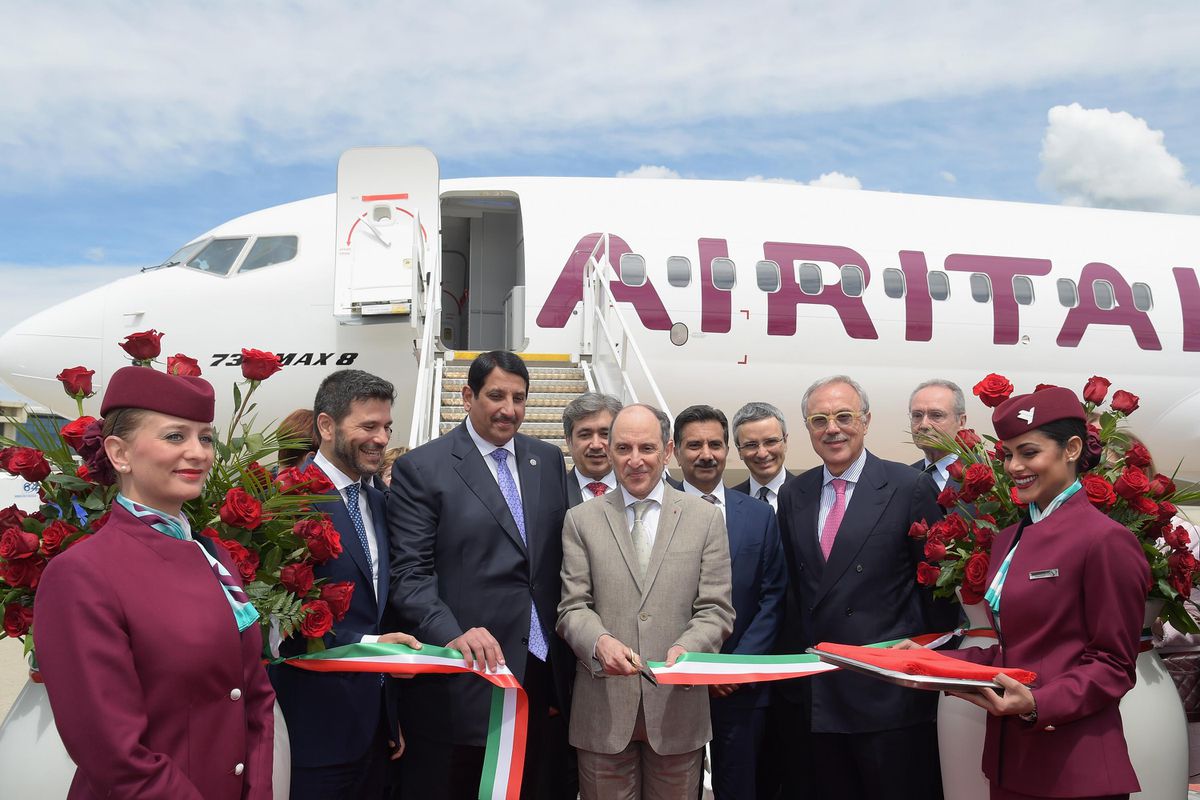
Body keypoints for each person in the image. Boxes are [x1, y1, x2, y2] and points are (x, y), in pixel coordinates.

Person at [35, 365, 276, 799]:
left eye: (205, 437)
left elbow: (254, 694)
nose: (199, 453)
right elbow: (113, 753)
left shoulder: (215, 556)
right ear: (119, 453)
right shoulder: (82, 574)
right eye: (174, 436)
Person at [941, 387, 1149, 799]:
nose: (1014, 467)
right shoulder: (1007, 541)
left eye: (1028, 452)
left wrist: (1038, 703)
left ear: (1072, 449)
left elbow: (1113, 664)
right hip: (1012, 764)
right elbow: (1014, 651)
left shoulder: (1106, 541)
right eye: (1007, 455)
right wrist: (924, 662)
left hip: (1073, 769)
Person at [388, 350, 571, 799]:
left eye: (519, 398)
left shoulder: (546, 459)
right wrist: (452, 634)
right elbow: (410, 572)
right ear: (468, 396)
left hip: (543, 672)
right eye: (496, 396)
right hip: (469, 673)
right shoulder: (423, 468)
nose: (509, 409)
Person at [776, 374, 946, 800]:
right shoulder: (794, 493)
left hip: (888, 695)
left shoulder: (909, 487)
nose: (832, 428)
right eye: (819, 420)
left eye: (844, 416)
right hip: (821, 693)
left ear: (866, 421)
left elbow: (935, 588)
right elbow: (797, 591)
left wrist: (929, 667)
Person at [557, 403, 735, 800]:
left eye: (647, 448)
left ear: (667, 450)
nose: (635, 461)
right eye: (623, 449)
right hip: (603, 711)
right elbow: (572, 607)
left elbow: (716, 608)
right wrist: (599, 643)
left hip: (678, 708)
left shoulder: (704, 519)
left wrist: (686, 650)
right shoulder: (581, 519)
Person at [269, 370, 421, 800]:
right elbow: (280, 629)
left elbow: (379, 608)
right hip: (313, 732)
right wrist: (372, 647)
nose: (381, 438)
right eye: (368, 426)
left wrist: (389, 715)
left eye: (387, 426)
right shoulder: (286, 501)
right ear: (326, 426)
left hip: (376, 733)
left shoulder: (378, 500)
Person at [672, 404, 785, 799]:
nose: (706, 454)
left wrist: (735, 668)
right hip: (673, 683)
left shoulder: (758, 515)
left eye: (715, 444)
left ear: (726, 450)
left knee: (739, 788)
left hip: (739, 686)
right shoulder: (655, 509)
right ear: (675, 451)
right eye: (694, 445)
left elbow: (773, 596)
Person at [729, 402, 796, 511]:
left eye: (771, 442)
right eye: (751, 445)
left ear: (785, 442)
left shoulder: (812, 496)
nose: (762, 453)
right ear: (739, 450)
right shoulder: (728, 503)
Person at [563, 392, 623, 505]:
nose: (596, 445)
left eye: (605, 434)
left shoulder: (637, 490)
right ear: (569, 441)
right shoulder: (553, 494)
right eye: (585, 435)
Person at [908, 379, 968, 491]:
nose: (924, 425)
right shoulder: (904, 478)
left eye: (936, 415)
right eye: (917, 415)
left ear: (961, 421)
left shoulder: (984, 475)